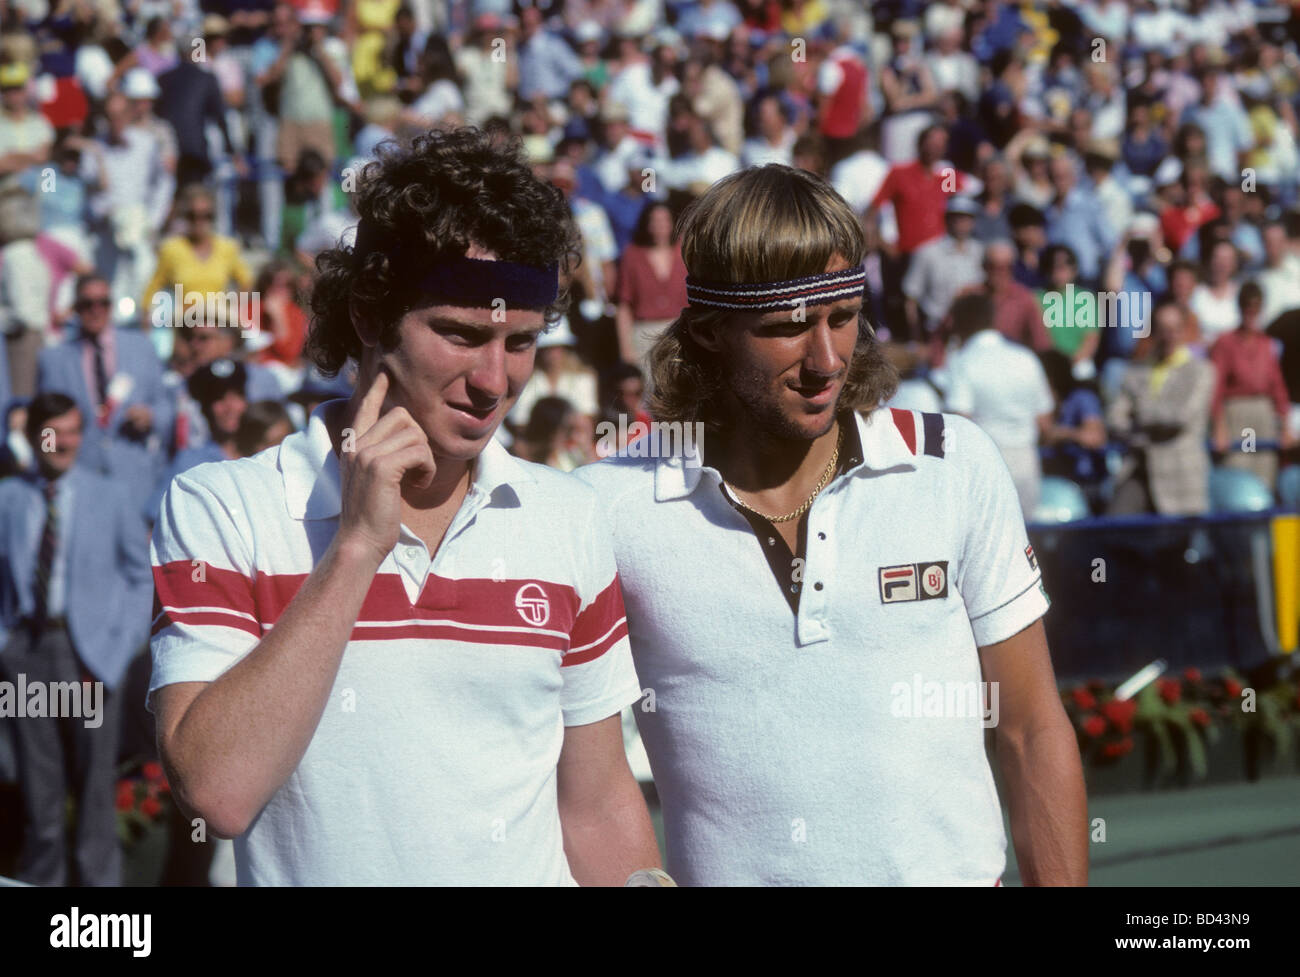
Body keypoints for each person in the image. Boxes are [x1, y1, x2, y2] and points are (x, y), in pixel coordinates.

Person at [148, 128, 659, 885]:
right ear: (368, 316)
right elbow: (217, 789)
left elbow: (594, 804)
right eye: (460, 334)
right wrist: (355, 547)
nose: (495, 379)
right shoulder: (223, 506)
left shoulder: (567, 514)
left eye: (519, 341)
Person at [575, 164, 1086, 885]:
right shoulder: (608, 505)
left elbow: (1032, 729)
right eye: (786, 326)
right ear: (711, 330)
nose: (826, 359)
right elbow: (572, 783)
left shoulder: (954, 463)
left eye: (842, 317)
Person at [0, 392, 153, 884]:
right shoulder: (9, 498)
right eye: (52, 432)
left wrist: (115, 650)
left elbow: (140, 575)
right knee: (37, 784)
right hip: (27, 651)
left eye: (71, 431)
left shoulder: (109, 495)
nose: (62, 442)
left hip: (90, 654)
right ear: (31, 437)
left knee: (93, 788)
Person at [37, 273, 173, 504]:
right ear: (75, 309)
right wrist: (49, 464)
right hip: (79, 480)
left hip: (135, 477)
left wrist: (150, 416)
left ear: (111, 306)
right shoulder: (53, 359)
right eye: (87, 304)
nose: (95, 310)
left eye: (103, 303)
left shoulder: (141, 347)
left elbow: (166, 406)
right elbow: (43, 424)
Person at [944, 292, 1055, 517]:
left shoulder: (962, 361)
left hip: (986, 467)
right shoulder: (1027, 358)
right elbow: (1045, 424)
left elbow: (959, 422)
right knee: (1026, 543)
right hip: (1027, 464)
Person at [1108, 301, 1215, 515]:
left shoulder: (1200, 371)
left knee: (1175, 543)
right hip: (1140, 468)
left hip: (1181, 475)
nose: (1169, 336)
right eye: (1163, 329)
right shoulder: (1136, 371)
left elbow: (1181, 416)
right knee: (1117, 525)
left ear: (1184, 331)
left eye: (1175, 329)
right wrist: (1147, 425)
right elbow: (1114, 418)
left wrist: (1139, 416)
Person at [1210, 281, 1293, 490]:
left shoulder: (1266, 344)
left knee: (1265, 470)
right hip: (1238, 415)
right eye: (1248, 307)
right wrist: (1219, 427)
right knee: (1240, 468)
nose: (1252, 313)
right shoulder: (1226, 342)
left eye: (1256, 308)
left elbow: (1277, 387)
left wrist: (1285, 426)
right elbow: (1216, 387)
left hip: (1262, 414)